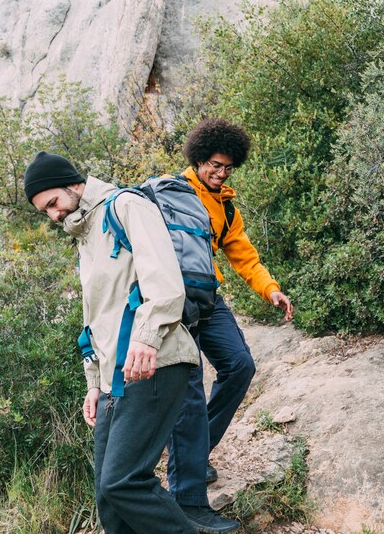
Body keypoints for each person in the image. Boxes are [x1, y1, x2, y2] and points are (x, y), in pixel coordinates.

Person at [24, 151, 200, 534]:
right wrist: (93, 384)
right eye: (45, 211)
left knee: (124, 482)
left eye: (52, 202)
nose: (53, 215)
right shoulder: (84, 237)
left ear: (72, 183)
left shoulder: (127, 207)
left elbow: (166, 282)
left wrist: (148, 337)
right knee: (110, 502)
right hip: (112, 378)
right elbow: (96, 321)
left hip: (156, 362)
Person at [167, 119, 294, 533]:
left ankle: (195, 452)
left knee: (241, 366)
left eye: (227, 168)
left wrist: (270, 290)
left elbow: (243, 255)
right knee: (188, 388)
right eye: (214, 166)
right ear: (198, 159)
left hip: (208, 301)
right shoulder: (171, 193)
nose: (221, 174)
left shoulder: (226, 205)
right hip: (172, 302)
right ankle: (186, 497)